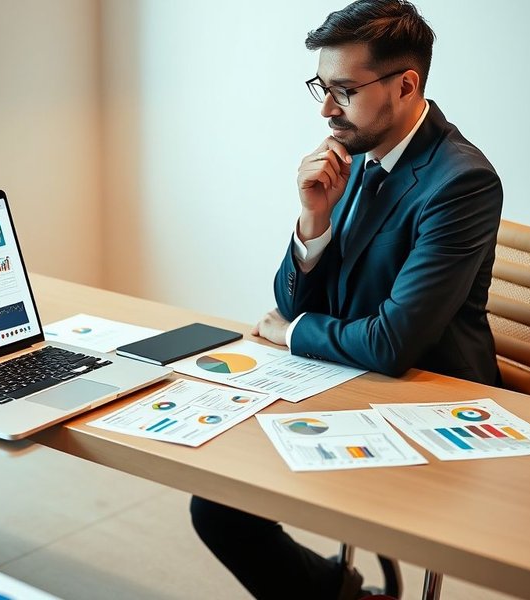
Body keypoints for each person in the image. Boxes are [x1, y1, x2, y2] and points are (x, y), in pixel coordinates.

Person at [190, 1, 503, 598]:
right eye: (321, 87)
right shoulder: (358, 153)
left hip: (426, 400)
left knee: (223, 507)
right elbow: (295, 295)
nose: (327, 108)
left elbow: (391, 343)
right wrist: (313, 220)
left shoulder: (462, 182)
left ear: (406, 85)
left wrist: (292, 330)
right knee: (220, 498)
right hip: (347, 378)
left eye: (343, 90)